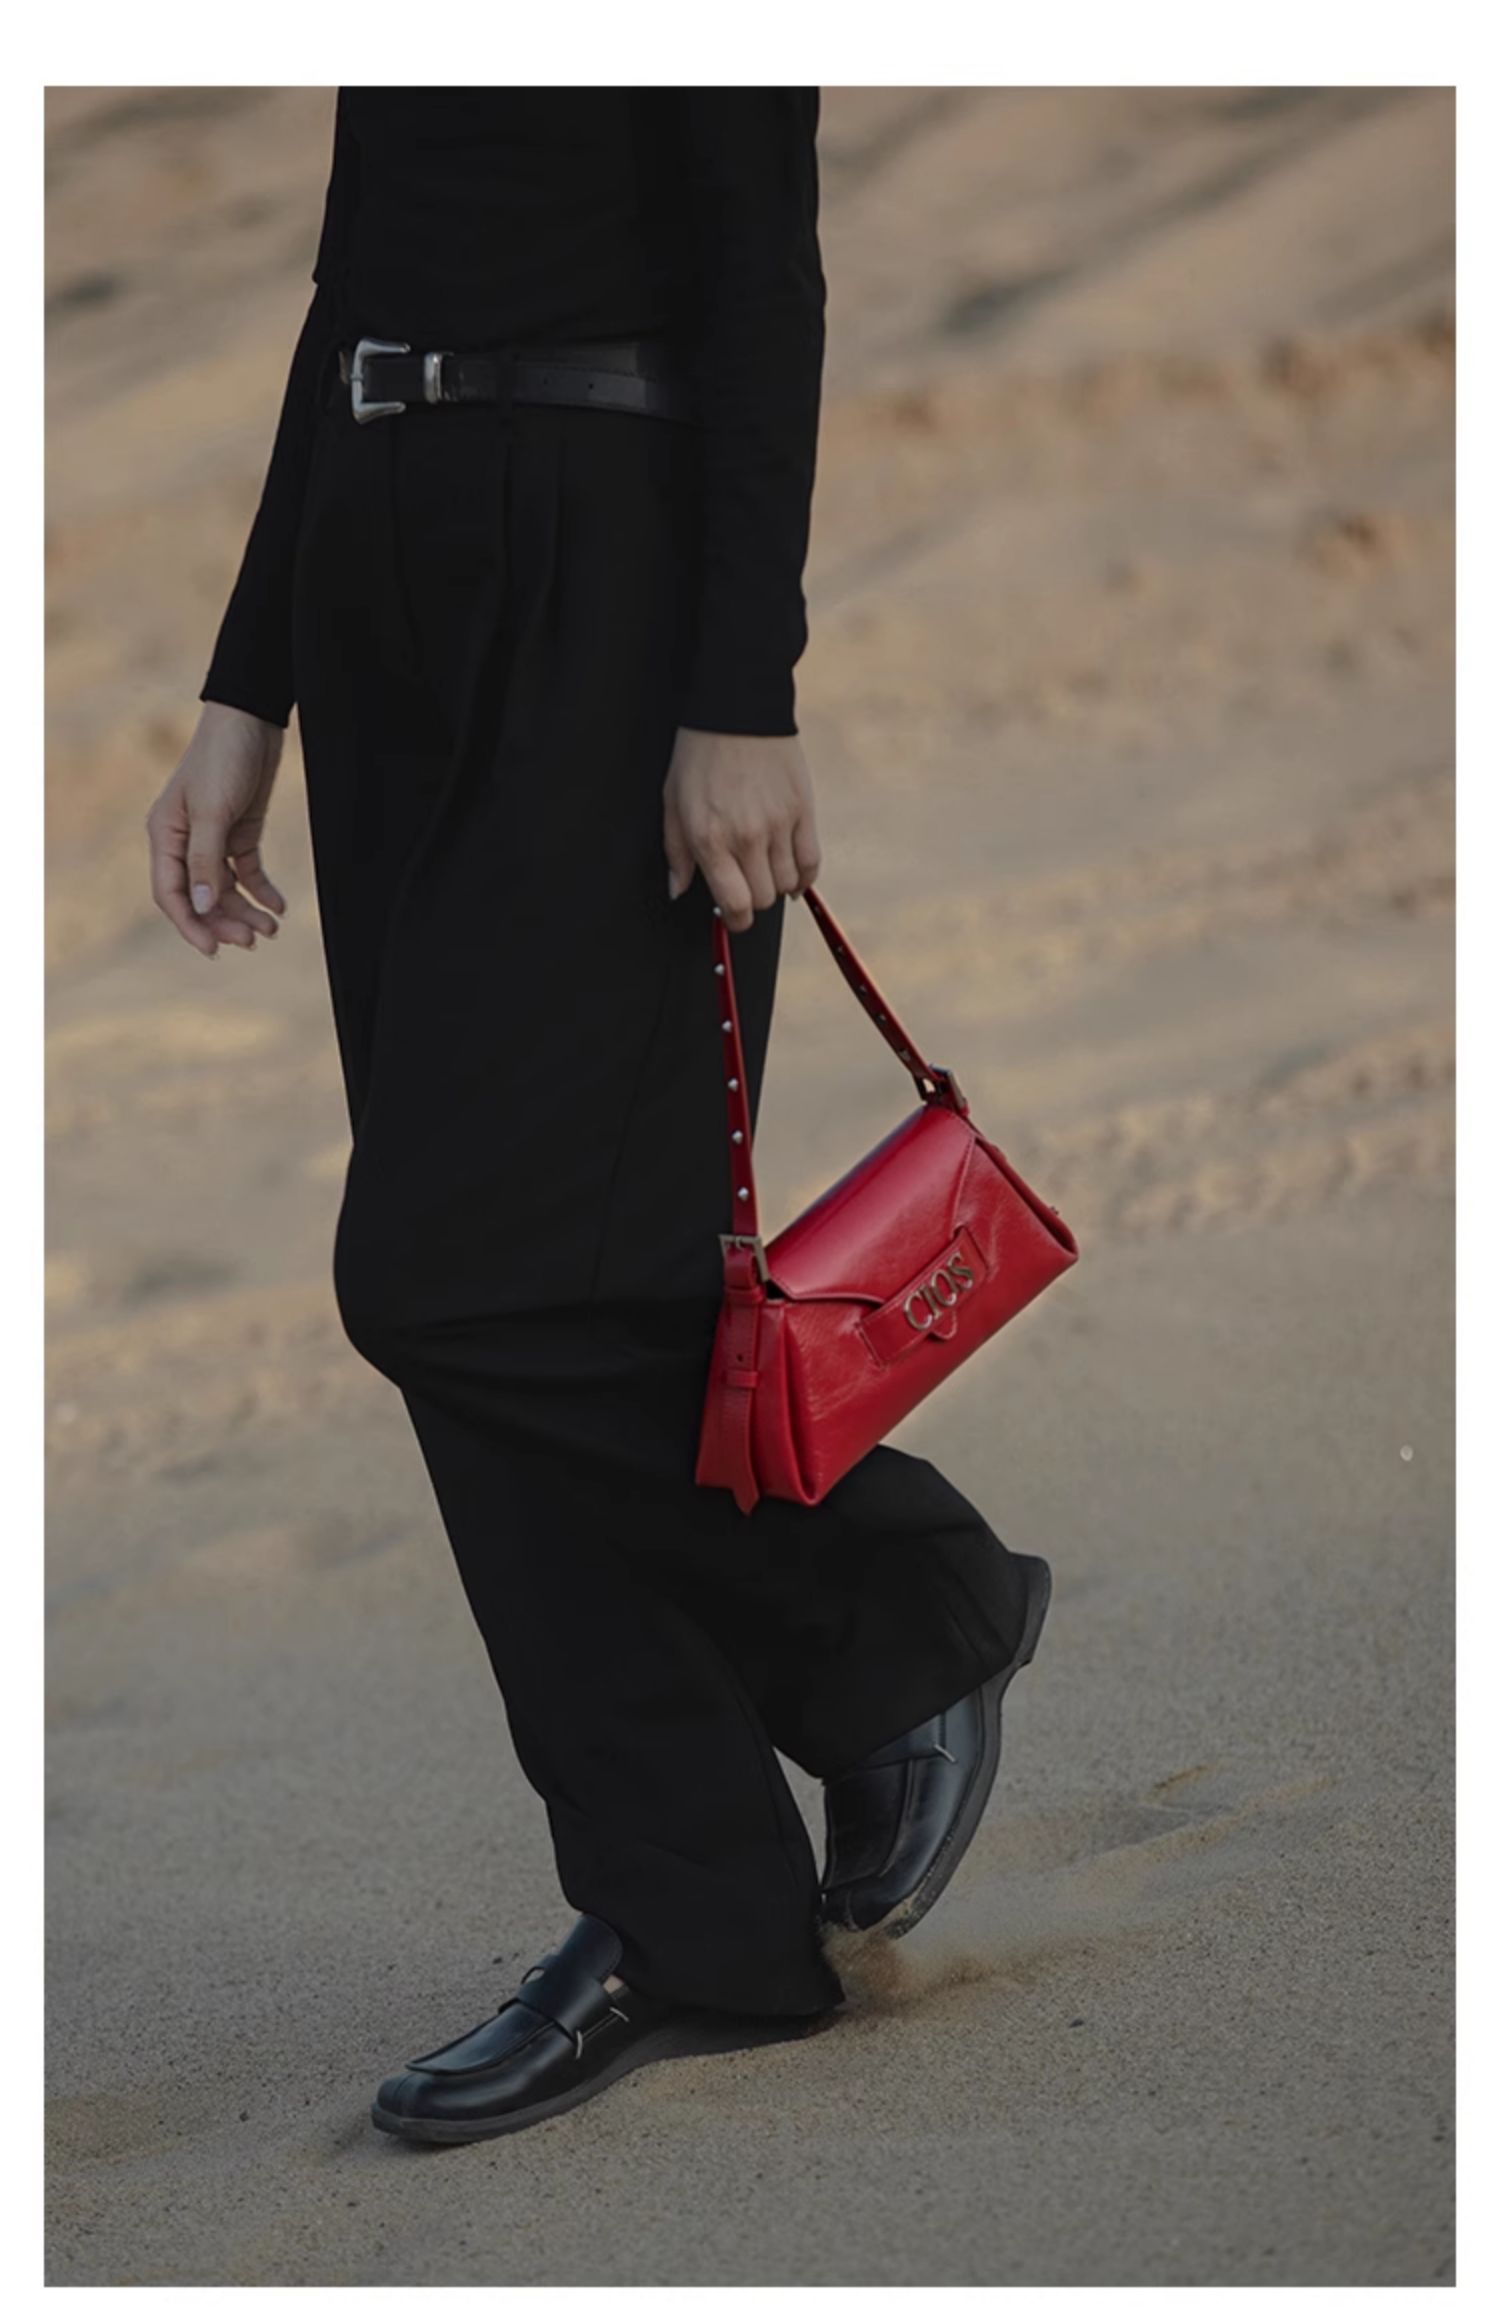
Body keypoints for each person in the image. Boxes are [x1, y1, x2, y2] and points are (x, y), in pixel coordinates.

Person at [144, 86, 1052, 2145]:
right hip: (385, 585)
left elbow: (763, 273)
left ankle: (895, 1611)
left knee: (449, 1278)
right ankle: (693, 1914)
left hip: (608, 588)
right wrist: (247, 685)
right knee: (529, 1272)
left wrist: (742, 690)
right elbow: (350, 279)